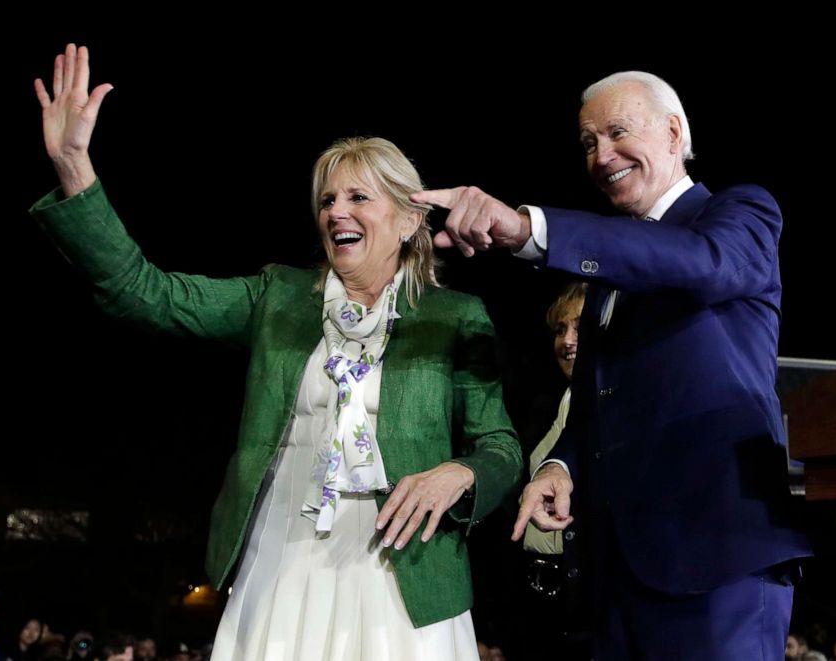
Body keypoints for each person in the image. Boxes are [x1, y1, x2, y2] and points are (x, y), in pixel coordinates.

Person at [30, 44, 521, 661]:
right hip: (283, 559)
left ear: (407, 221)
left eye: (359, 198)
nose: (336, 211)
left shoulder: (456, 317)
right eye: (326, 200)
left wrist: (461, 472)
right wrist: (75, 165)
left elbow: (501, 445)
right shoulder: (279, 298)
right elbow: (144, 293)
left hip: (407, 572)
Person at [413, 70, 811, 659]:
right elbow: (597, 404)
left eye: (618, 132)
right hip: (615, 576)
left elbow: (699, 264)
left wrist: (529, 229)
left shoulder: (739, 216)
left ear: (675, 132)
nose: (602, 156)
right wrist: (559, 468)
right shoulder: (603, 283)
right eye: (588, 143)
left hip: (717, 560)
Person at [522, 281, 586, 556]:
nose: (568, 341)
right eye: (561, 330)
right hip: (540, 576)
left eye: (580, 328)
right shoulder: (551, 403)